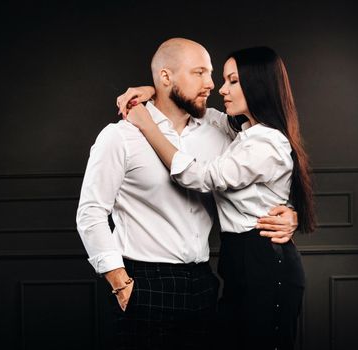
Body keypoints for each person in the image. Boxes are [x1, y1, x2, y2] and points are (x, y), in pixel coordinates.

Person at [76, 38, 298, 350]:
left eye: (212, 74)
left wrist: (288, 210)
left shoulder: (222, 129)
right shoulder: (120, 136)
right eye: (199, 73)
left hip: (205, 282)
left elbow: (269, 160)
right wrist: (121, 285)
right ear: (166, 77)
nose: (212, 85)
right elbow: (91, 213)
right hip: (145, 282)